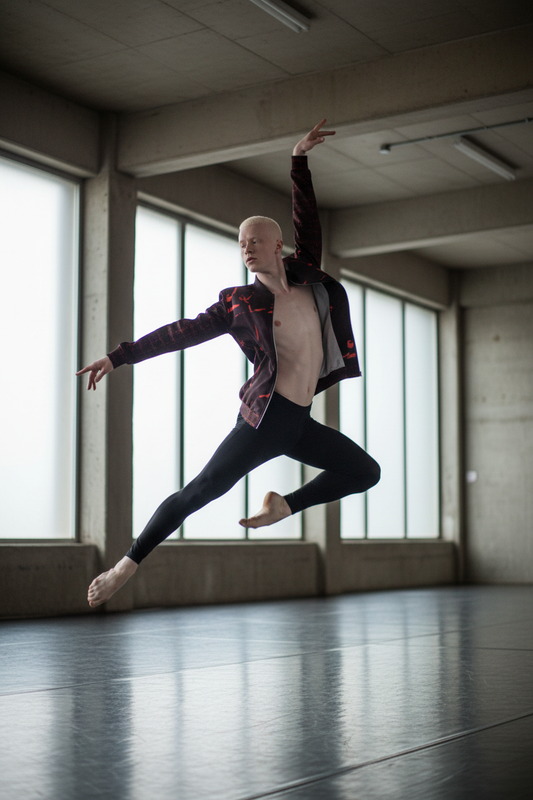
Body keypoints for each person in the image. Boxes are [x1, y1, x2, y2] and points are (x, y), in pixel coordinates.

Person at [77, 120, 380, 608]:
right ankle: (123, 567)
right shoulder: (239, 302)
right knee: (201, 491)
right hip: (264, 420)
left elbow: (307, 219)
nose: (246, 248)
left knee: (365, 471)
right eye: (241, 243)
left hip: (299, 423)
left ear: (277, 245)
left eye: (254, 241)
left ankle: (283, 506)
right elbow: (181, 331)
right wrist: (119, 356)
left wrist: (298, 159)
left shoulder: (308, 278)